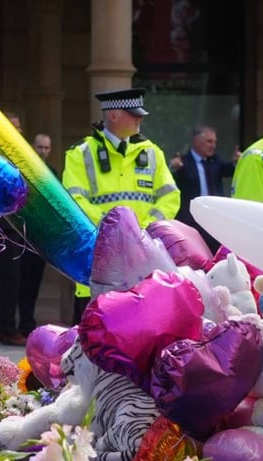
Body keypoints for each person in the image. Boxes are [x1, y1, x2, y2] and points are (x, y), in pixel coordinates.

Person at [62, 87, 180, 324]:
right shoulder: (81, 154)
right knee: (93, 340)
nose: (140, 118)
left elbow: (170, 196)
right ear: (114, 115)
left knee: (142, 335)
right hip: (99, 261)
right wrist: (115, 232)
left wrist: (141, 230)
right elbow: (73, 202)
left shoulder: (152, 152)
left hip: (142, 263)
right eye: (134, 114)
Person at [0, 132, 52, 346]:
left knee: (23, 282)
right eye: (39, 147)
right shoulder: (1, 166)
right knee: (4, 281)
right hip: (5, 230)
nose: (42, 151)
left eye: (46, 147)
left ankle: (16, 326)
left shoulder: (46, 172)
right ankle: (3, 328)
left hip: (29, 235)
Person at [168, 125, 237, 252]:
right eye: (209, 141)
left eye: (215, 142)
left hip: (213, 219)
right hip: (191, 220)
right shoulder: (183, 161)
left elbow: (228, 170)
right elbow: (169, 181)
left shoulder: (214, 161)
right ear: (196, 141)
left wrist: (237, 162)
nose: (213, 145)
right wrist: (173, 167)